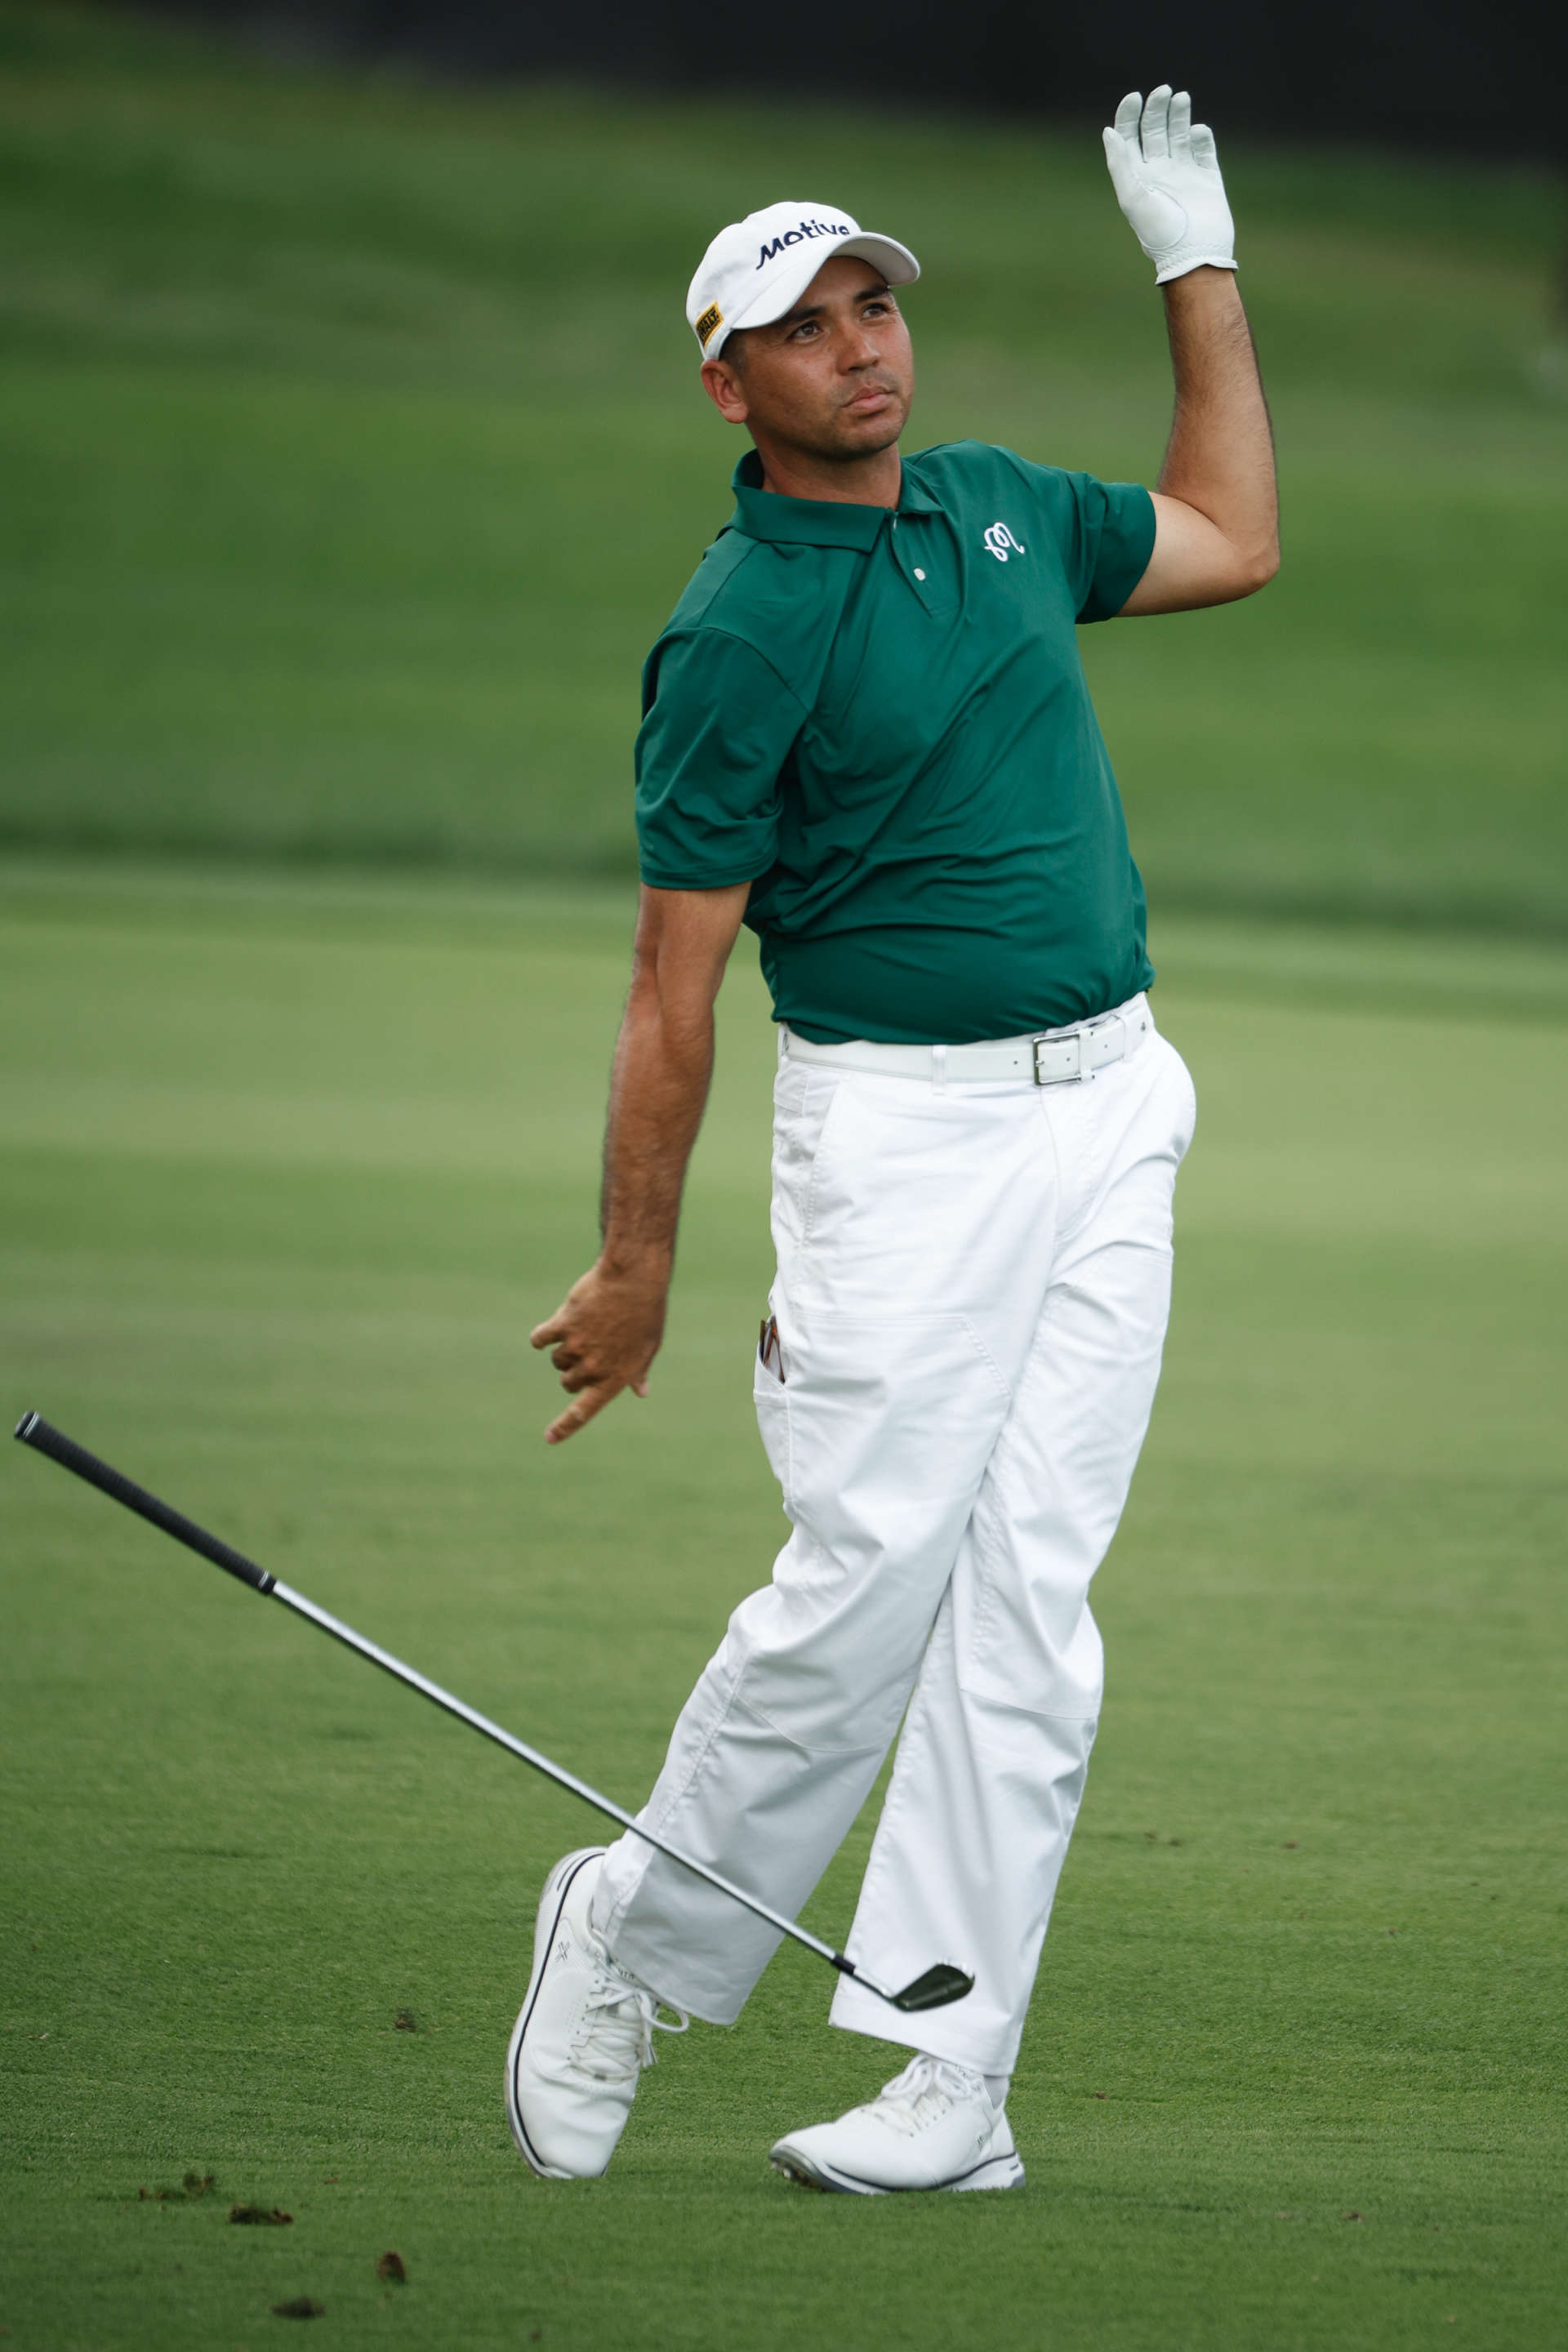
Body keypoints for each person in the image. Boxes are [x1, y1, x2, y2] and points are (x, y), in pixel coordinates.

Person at [508, 85, 1278, 2193]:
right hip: (902, 1148)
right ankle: (632, 1932)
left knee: (1032, 1606)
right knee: (864, 1594)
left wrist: (1195, 264)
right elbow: (674, 987)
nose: (860, 345)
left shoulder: (1002, 507)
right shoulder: (736, 627)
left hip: (1113, 1106)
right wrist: (637, 1265)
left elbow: (1232, 537)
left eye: (874, 305)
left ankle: (951, 2076)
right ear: (726, 382)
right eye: (806, 324)